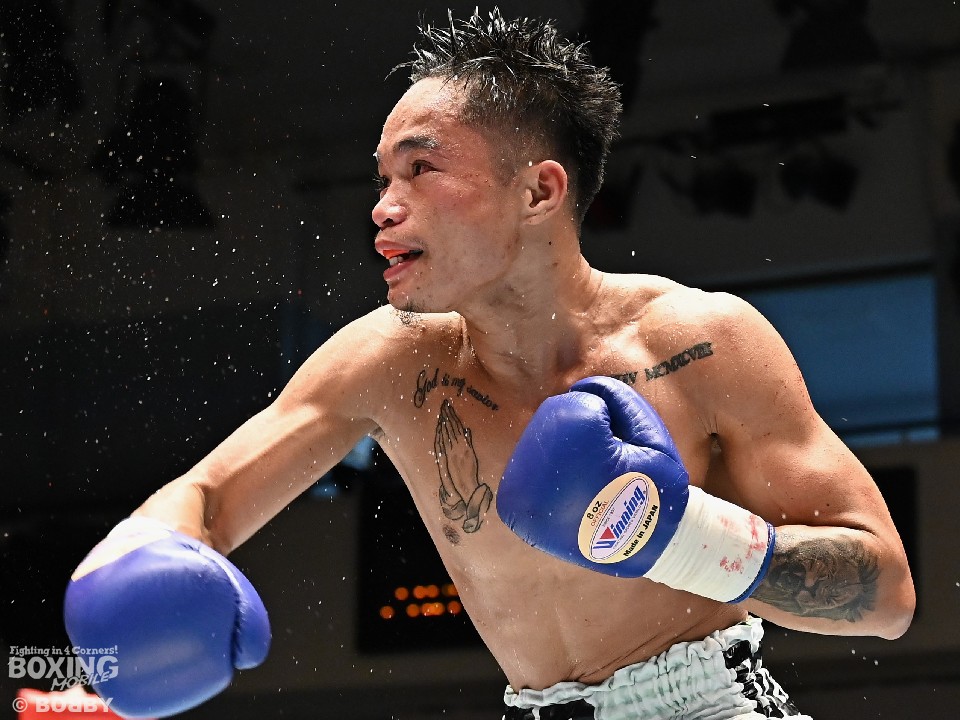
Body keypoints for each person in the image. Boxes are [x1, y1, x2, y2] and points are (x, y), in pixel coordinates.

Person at [64, 9, 916, 720]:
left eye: (421, 169)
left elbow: (885, 595)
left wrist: (677, 538)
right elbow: (208, 498)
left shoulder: (697, 343)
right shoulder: (390, 359)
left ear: (539, 191)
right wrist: (134, 555)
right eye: (382, 178)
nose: (383, 207)